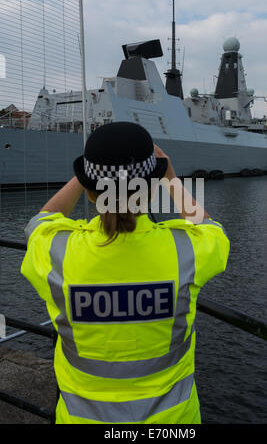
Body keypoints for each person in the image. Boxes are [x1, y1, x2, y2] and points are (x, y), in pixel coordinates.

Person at [21, 121, 230, 424]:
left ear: (91, 192)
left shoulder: (57, 252)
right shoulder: (186, 250)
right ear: (152, 185)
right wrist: (170, 176)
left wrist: (88, 174)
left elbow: (40, 222)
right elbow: (211, 230)